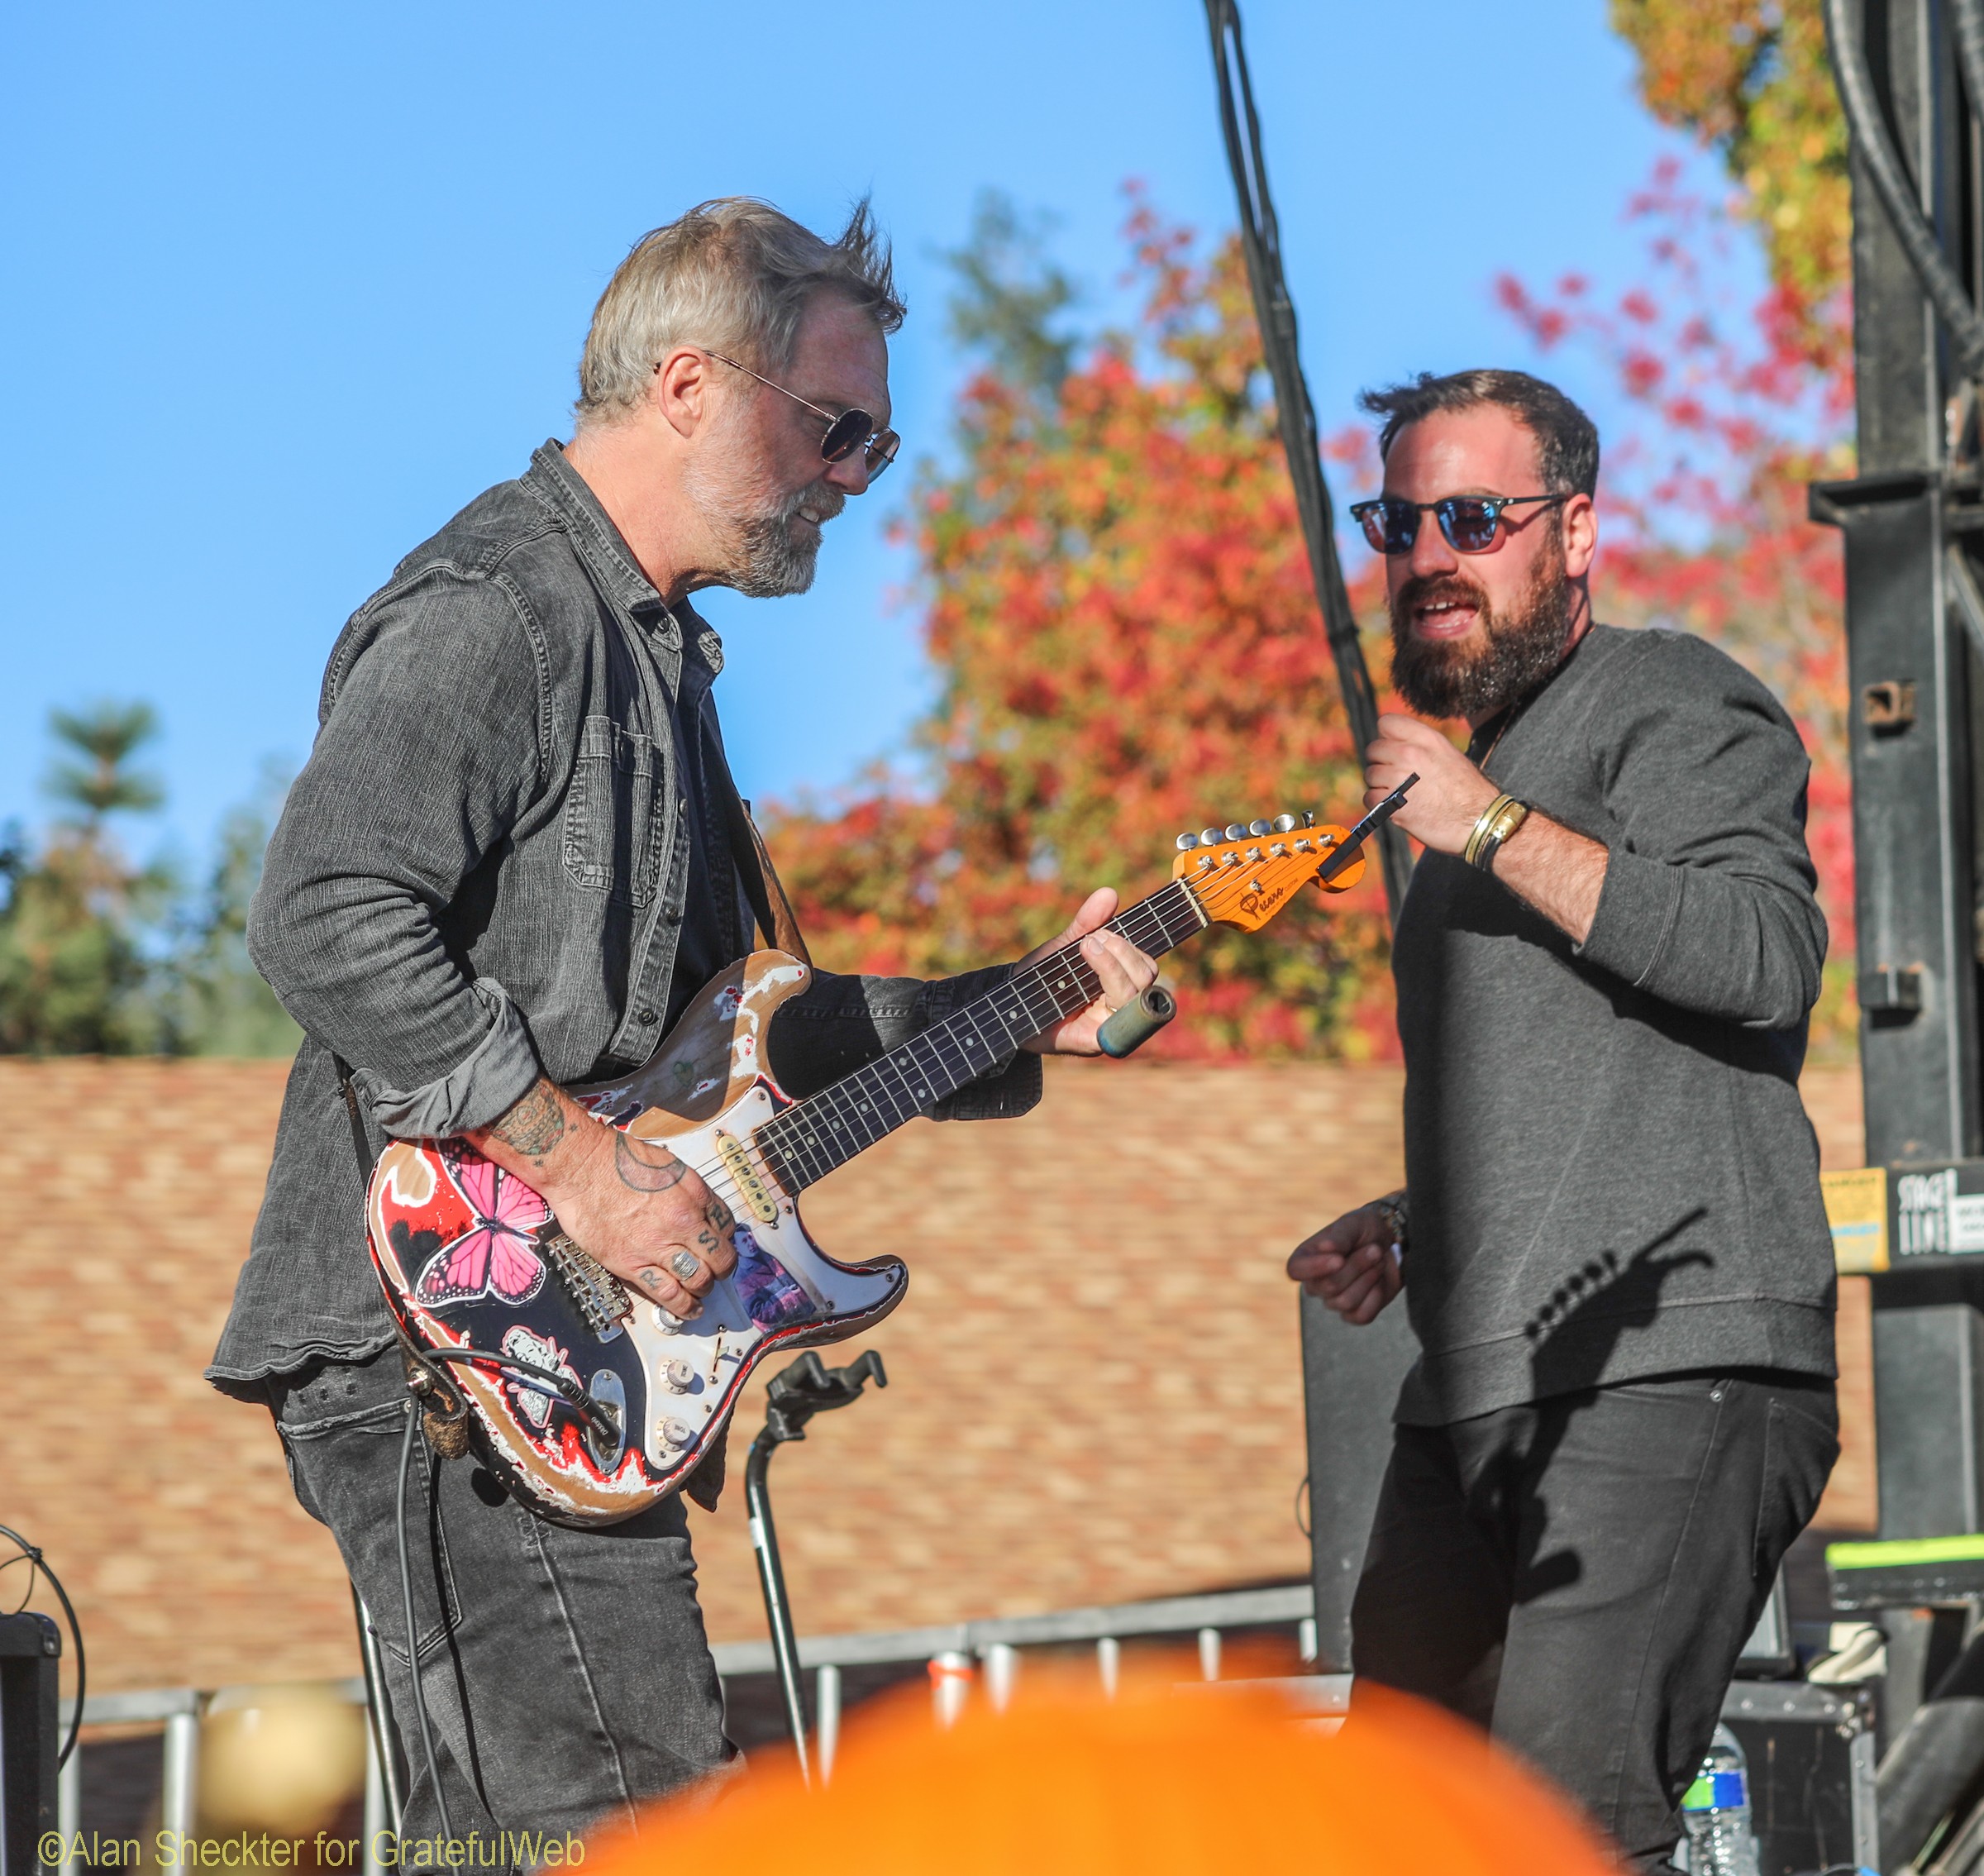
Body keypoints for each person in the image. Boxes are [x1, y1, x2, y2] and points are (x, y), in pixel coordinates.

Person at [207, 198, 1157, 1843]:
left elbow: (750, 1040)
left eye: (881, 437)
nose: (861, 474)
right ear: (695, 385)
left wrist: (1030, 1012)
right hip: (450, 1324)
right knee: (640, 1825)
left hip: (548, 1348)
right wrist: (577, 1166)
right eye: (838, 426)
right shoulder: (504, 603)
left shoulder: (662, 664)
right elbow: (323, 907)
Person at [1285, 370, 1839, 1873]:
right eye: (1400, 522)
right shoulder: (1469, 787)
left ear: (1577, 529)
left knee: (1562, 1837)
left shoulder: (1674, 698)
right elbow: (1584, 1066)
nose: (1430, 556)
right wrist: (1410, 1220)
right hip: (1471, 1388)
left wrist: (1496, 828)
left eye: (1476, 516)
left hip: (1673, 1369)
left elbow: (1764, 955)